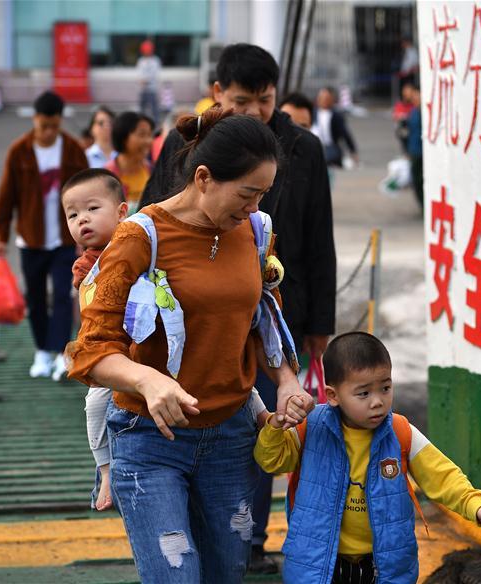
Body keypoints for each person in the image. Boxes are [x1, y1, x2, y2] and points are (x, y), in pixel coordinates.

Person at [67, 105, 315, 581]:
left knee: (226, 573)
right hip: (149, 438)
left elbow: (264, 315)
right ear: (203, 177)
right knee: (176, 574)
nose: (254, 207)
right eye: (246, 193)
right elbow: (91, 349)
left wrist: (285, 381)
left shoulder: (256, 231)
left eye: (263, 194)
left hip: (231, 435)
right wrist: (147, 380)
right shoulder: (140, 236)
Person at [139, 44, 337, 572]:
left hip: (271, 311)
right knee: (200, 421)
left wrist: (319, 324)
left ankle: (250, 538)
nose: (254, 113)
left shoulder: (304, 149)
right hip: (188, 320)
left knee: (267, 424)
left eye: (265, 102)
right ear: (218, 93)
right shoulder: (186, 148)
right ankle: (206, 528)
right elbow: (148, 224)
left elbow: (320, 238)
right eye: (243, 101)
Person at [255, 332, 481, 583]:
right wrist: (275, 426)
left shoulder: (400, 432)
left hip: (382, 567)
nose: (378, 402)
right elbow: (270, 460)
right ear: (332, 396)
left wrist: (476, 507)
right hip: (318, 566)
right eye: (363, 393)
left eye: (385, 388)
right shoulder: (310, 428)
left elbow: (443, 476)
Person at [0, 90, 89, 380]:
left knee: (62, 294)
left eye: (54, 126)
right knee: (35, 297)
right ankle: (42, 351)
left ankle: (60, 351)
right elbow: (6, 195)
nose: (48, 132)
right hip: (30, 239)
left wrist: (84, 236)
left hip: (64, 238)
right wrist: (1, 234)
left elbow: (87, 192)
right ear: (34, 119)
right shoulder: (19, 151)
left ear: (60, 122)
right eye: (43, 126)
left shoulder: (72, 150)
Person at [61, 168, 128, 511]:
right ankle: (105, 469)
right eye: (73, 215)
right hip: (107, 351)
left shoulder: (139, 246)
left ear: (121, 212)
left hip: (142, 348)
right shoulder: (85, 266)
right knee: (96, 405)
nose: (82, 220)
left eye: (92, 209)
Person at [105, 111, 154, 214]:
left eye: (150, 135)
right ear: (123, 137)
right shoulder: (106, 175)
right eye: (142, 134)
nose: (148, 141)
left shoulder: (152, 171)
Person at [313, 86, 359, 168]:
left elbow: (345, 134)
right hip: (315, 145)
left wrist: (353, 151)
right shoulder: (313, 113)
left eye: (326, 98)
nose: (323, 101)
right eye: (321, 98)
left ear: (331, 100)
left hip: (331, 146)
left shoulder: (336, 115)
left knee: (329, 158)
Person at [405, 84, 423, 209]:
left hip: (422, 152)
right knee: (416, 180)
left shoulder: (424, 113)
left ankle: (424, 205)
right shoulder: (413, 112)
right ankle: (421, 204)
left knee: (421, 180)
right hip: (414, 150)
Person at [136, 39, 161, 125]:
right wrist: (142, 80)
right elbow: (139, 74)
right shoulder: (141, 61)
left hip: (152, 89)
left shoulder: (155, 61)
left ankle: (156, 126)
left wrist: (145, 80)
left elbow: (155, 74)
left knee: (154, 110)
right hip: (143, 89)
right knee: (142, 110)